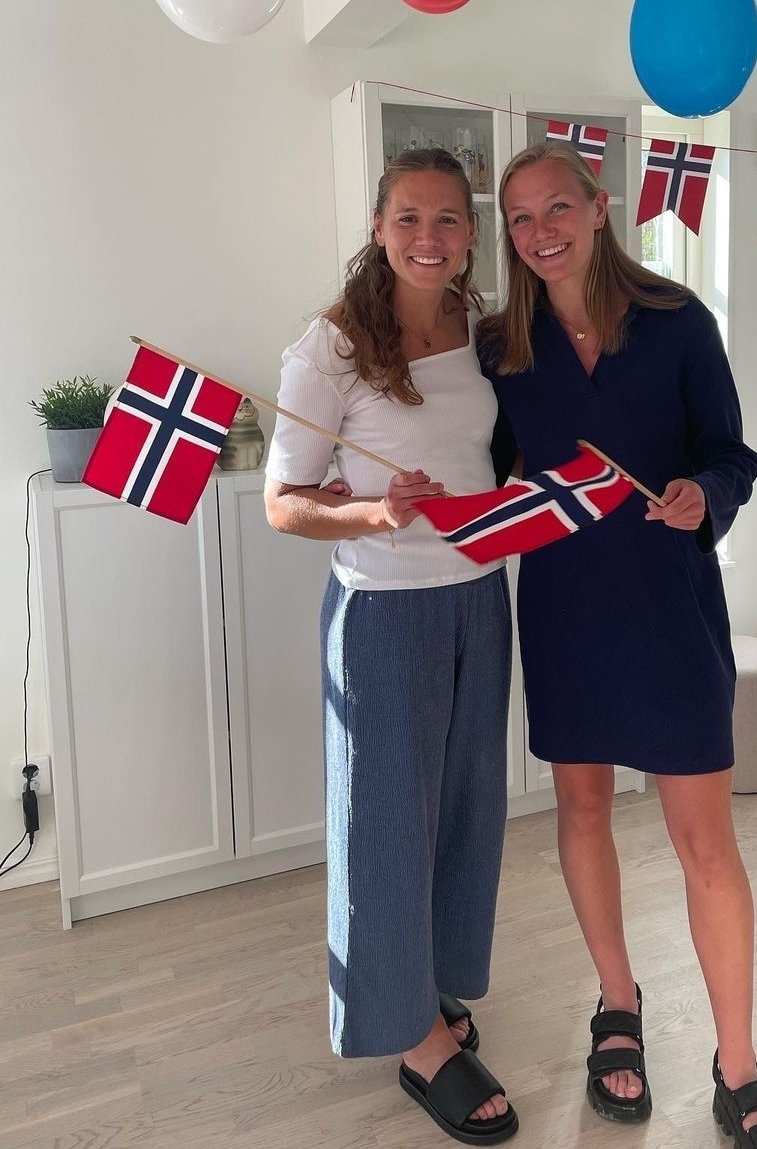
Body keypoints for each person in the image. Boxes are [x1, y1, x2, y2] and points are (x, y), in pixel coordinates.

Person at [478, 141, 757, 1149]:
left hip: (670, 609)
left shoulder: (676, 319)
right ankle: (615, 1005)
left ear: (599, 206)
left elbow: (731, 452)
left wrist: (706, 491)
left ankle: (737, 1065)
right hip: (565, 608)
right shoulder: (501, 346)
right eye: (520, 217)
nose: (540, 231)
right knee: (580, 809)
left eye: (557, 207)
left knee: (706, 843)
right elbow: (486, 467)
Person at [264, 147, 519, 1146]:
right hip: (382, 611)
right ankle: (413, 1037)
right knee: (384, 824)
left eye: (448, 219)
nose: (428, 237)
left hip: (478, 599)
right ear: (377, 227)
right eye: (408, 217)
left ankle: (431, 985)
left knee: (464, 812)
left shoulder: (479, 331)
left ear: (470, 233)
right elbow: (285, 505)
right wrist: (374, 512)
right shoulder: (328, 348)